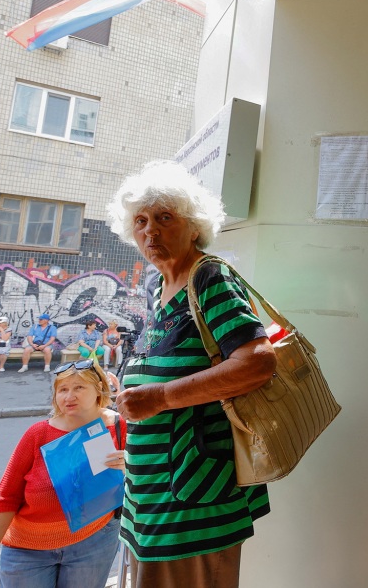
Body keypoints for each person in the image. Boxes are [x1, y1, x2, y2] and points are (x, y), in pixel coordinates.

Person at [106, 159, 276, 588]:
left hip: (193, 504)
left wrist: (158, 398)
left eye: (165, 218)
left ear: (194, 226)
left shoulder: (209, 278)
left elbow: (257, 362)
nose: (151, 231)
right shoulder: (158, 286)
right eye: (141, 221)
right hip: (152, 497)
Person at [0, 360, 126, 588]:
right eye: (62, 389)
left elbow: (143, 482)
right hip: (28, 551)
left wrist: (129, 466)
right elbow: (5, 498)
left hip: (95, 541)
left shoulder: (120, 426)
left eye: (78, 387)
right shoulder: (38, 434)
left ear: (99, 388)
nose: (68, 396)